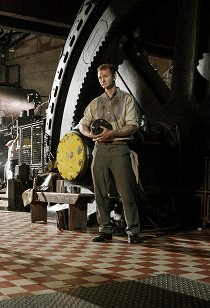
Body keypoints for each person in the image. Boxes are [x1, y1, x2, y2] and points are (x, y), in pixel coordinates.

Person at [78, 63, 142, 244]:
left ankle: (133, 232)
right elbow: (83, 124)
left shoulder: (127, 99)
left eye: (105, 76)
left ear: (114, 76)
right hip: (100, 150)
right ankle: (105, 229)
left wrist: (112, 133)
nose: (102, 80)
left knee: (126, 191)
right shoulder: (95, 103)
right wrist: (89, 134)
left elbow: (132, 126)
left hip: (119, 148)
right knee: (99, 191)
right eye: (99, 77)